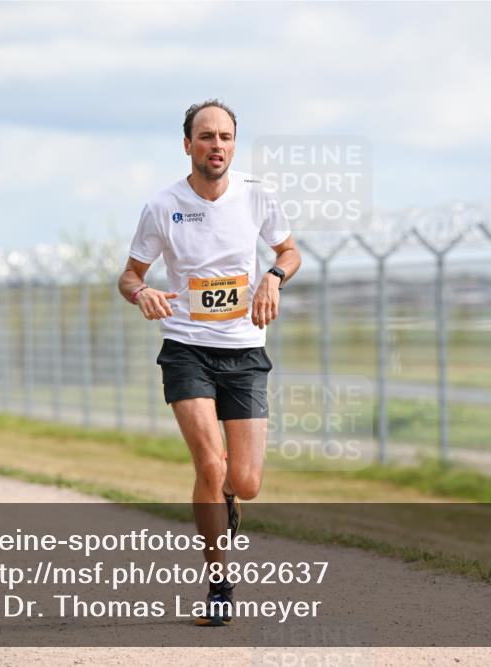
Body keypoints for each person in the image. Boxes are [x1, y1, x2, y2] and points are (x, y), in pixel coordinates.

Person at [118, 99, 300, 626]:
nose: (216, 146)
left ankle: (228, 501)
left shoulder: (258, 196)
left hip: (244, 351)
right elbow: (130, 274)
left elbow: (290, 251)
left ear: (233, 145)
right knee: (210, 463)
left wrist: (273, 277)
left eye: (225, 137)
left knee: (244, 481)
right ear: (187, 145)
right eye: (206, 137)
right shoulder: (162, 206)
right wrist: (141, 294)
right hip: (186, 348)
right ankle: (219, 581)